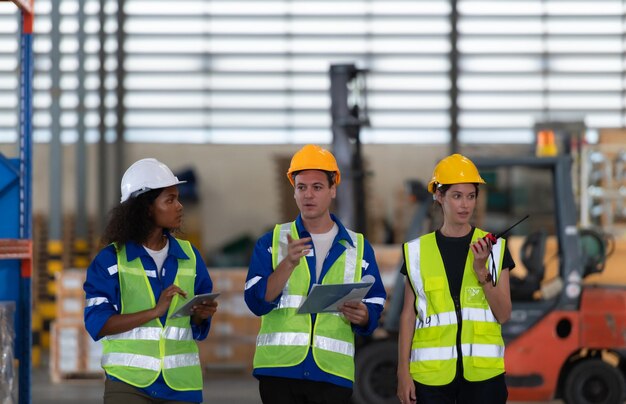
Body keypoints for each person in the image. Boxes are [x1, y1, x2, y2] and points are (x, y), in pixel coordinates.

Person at [244, 144, 387, 404]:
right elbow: (256, 301)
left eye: (317, 187)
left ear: (333, 190)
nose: (308, 195)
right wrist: (287, 264)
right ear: (294, 191)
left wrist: (365, 315)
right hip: (279, 372)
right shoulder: (272, 242)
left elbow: (375, 300)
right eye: (301, 187)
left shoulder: (358, 247)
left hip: (331, 374)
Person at [83, 158, 218, 404]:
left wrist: (202, 314)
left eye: (177, 198)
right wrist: (155, 311)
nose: (179, 206)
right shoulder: (110, 261)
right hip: (129, 384)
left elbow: (196, 328)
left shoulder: (190, 256)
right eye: (170, 200)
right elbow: (97, 323)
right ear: (145, 208)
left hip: (182, 385)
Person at [396, 154, 515, 404]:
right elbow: (408, 315)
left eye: (470, 196)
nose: (465, 205)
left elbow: (503, 314)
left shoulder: (495, 248)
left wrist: (481, 272)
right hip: (431, 378)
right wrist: (402, 373)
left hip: (484, 377)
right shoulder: (416, 251)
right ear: (439, 197)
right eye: (457, 196)